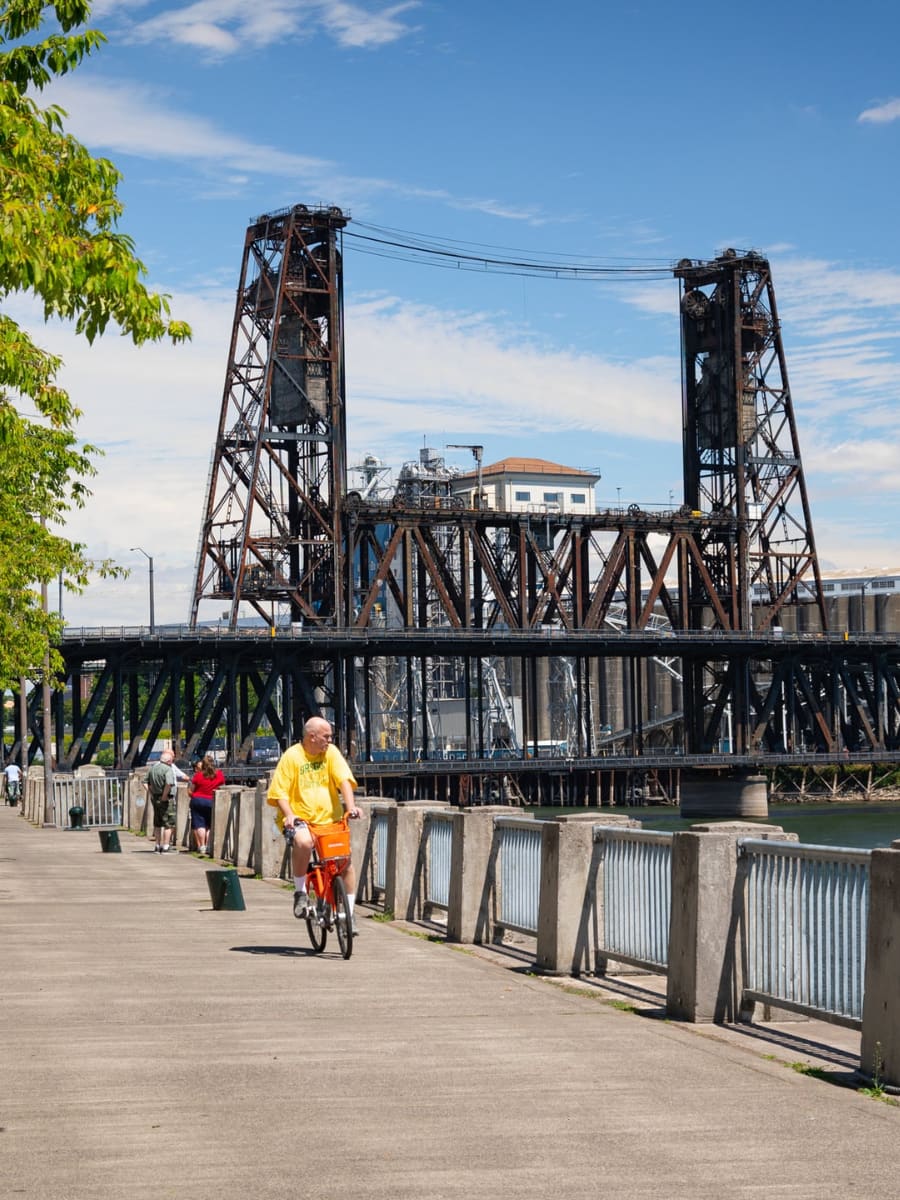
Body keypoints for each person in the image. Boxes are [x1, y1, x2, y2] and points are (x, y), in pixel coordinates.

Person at [266, 717, 362, 928]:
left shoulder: (331, 753)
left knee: (345, 862)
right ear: (312, 736)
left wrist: (351, 806)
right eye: (326, 736)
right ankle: (300, 892)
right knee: (304, 842)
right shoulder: (292, 757)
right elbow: (279, 791)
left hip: (330, 819)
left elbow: (343, 779)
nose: (329, 740)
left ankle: (350, 914)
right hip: (302, 819)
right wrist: (289, 814)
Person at [189, 754, 225, 856]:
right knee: (209, 825)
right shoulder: (219, 774)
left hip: (198, 801)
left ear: (203, 765)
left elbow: (191, 790)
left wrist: (194, 796)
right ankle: (209, 845)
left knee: (199, 824)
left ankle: (202, 846)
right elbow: (222, 787)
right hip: (212, 801)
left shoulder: (198, 775)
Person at [145, 748, 177, 853]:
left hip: (155, 798)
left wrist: (151, 793)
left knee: (157, 823)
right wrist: (164, 795)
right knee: (169, 823)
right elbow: (169, 783)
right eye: (171, 761)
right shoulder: (168, 769)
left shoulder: (152, 768)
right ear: (168, 761)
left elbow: (145, 782)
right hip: (165, 799)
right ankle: (166, 846)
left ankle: (157, 845)